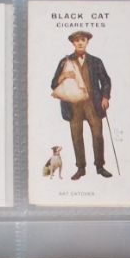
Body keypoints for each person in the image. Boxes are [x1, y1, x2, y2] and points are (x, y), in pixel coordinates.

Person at [51, 30, 113, 180]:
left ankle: (100, 166)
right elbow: (53, 84)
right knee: (76, 137)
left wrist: (105, 97)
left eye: (83, 40)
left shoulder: (96, 61)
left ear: (87, 42)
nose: (80, 42)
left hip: (93, 104)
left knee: (98, 136)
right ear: (73, 43)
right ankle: (81, 168)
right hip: (73, 106)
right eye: (77, 40)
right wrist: (64, 75)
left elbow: (106, 81)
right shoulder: (64, 61)